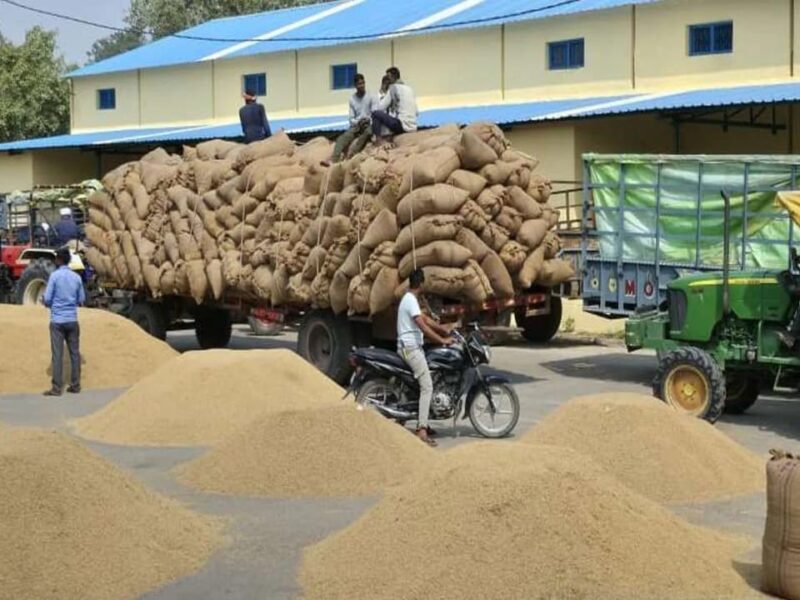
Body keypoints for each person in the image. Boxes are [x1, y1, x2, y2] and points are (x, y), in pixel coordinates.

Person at [397, 268, 454, 447]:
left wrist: (443, 327)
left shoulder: (410, 299)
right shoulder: (410, 300)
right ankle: (421, 429)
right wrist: (442, 340)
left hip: (413, 347)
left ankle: (425, 421)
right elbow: (422, 326)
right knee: (427, 386)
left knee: (431, 376)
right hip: (410, 349)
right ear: (421, 283)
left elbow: (426, 320)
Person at [43, 247, 85, 396]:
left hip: (57, 321)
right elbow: (81, 300)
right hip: (72, 320)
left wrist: (50, 304)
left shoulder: (54, 276)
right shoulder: (77, 278)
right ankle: (75, 385)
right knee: (74, 353)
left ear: (58, 260)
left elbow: (47, 298)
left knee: (57, 355)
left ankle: (56, 388)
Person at [331, 73, 374, 163]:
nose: (362, 86)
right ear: (355, 85)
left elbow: (375, 113)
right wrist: (358, 122)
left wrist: (368, 119)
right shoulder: (352, 99)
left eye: (363, 83)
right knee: (341, 139)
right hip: (357, 125)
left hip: (368, 124)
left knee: (369, 132)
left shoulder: (371, 96)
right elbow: (351, 119)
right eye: (359, 84)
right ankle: (334, 161)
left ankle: (352, 155)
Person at [372, 67, 418, 142]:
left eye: (388, 77)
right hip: (413, 127)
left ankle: (378, 141)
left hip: (402, 126)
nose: (388, 80)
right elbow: (417, 112)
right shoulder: (410, 89)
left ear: (393, 77)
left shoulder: (393, 88)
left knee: (375, 113)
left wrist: (383, 93)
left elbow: (380, 108)